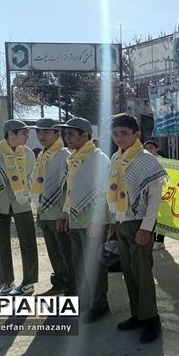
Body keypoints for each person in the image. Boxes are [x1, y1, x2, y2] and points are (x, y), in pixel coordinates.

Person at [108, 113, 168, 343]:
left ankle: (152, 319)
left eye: (124, 133)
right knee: (129, 272)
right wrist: (114, 220)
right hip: (121, 220)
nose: (120, 138)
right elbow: (112, 189)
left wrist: (146, 228)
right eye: (115, 134)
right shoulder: (116, 157)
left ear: (136, 134)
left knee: (142, 273)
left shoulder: (146, 160)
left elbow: (154, 198)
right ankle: (137, 315)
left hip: (139, 222)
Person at [56, 117, 111, 323]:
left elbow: (105, 192)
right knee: (79, 264)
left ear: (85, 136)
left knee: (94, 265)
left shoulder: (98, 159)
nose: (66, 137)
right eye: (66, 133)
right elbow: (70, 191)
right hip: (76, 219)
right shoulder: (74, 158)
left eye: (70, 133)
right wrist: (64, 214)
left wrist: (97, 220)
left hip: (92, 223)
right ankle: (85, 301)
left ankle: (100, 304)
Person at [0, 120, 38, 296]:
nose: (28, 136)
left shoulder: (27, 153)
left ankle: (28, 283)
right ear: (11, 134)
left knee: (28, 242)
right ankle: (7, 281)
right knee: (0, 243)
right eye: (24, 133)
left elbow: (31, 179)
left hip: (22, 203)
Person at [29, 118, 72, 296]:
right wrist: (39, 210)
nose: (41, 135)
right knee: (53, 252)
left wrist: (65, 214)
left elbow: (70, 188)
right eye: (39, 132)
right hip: (46, 213)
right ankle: (60, 283)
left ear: (57, 133)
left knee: (66, 252)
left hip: (59, 214)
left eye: (46, 132)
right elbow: (40, 186)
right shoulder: (42, 155)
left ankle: (72, 287)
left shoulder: (65, 155)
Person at [144, 140, 166, 251]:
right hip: (148, 196)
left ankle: (160, 240)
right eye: (146, 148)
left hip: (163, 195)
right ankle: (151, 239)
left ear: (157, 149)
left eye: (151, 147)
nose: (148, 150)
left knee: (163, 218)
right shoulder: (142, 162)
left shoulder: (163, 162)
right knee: (151, 217)